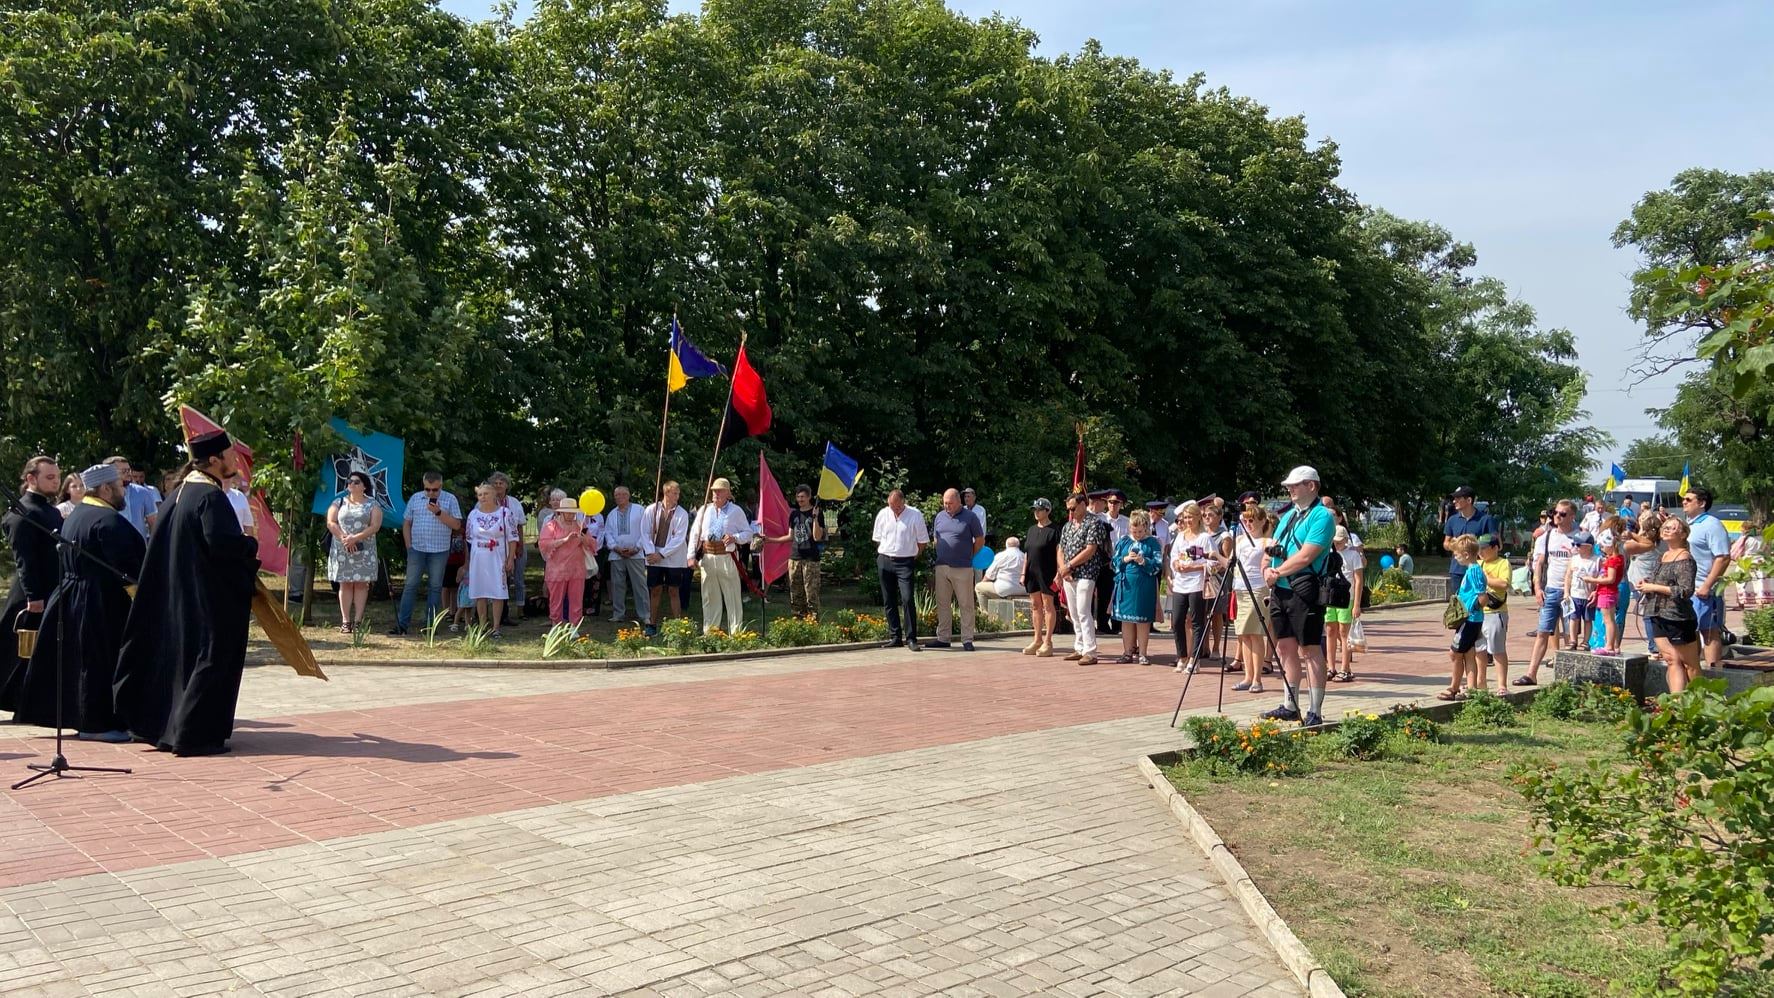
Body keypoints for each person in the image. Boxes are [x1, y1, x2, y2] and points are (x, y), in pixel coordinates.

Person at [112, 431, 259, 756]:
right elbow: (223, 544)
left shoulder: (178, 494)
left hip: (176, 596)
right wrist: (250, 544)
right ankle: (194, 735)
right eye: (231, 455)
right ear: (215, 460)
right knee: (209, 659)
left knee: (179, 664)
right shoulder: (208, 497)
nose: (235, 461)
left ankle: (167, 730)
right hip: (205, 599)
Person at [9, 463, 144, 740]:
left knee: (82, 661)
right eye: (119, 487)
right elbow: (129, 567)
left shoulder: (77, 515)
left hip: (72, 596)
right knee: (98, 663)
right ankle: (97, 724)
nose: (123, 493)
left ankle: (89, 719)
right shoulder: (108, 521)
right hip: (100, 600)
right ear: (105, 488)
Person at [1261, 466, 1336, 727]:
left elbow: (1307, 555)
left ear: (1312, 486)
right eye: (1289, 485)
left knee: (1311, 649)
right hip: (1280, 590)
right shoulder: (1290, 515)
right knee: (1284, 647)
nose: (1290, 489)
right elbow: (1272, 547)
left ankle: (1314, 709)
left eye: (1296, 485)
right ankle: (1290, 704)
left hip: (1306, 590)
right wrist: (1266, 566)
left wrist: (1277, 570)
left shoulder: (1322, 517)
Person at [0, 457, 65, 715]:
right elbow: (24, 559)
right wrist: (33, 597)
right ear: (30, 479)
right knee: (17, 655)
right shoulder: (21, 513)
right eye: (50, 477)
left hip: (52, 589)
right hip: (31, 595)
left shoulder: (51, 511)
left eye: (57, 477)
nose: (56, 482)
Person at [392, 471, 463, 635]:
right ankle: (402, 625)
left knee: (435, 587)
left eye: (435, 490)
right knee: (410, 586)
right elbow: (406, 523)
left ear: (441, 486)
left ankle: (430, 625)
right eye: (427, 489)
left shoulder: (450, 499)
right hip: (417, 548)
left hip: (439, 550)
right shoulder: (416, 498)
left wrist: (438, 512)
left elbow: (457, 525)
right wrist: (409, 545)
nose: (431, 493)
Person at [1637, 516, 1701, 692]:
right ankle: (1677, 703)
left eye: (1671, 528)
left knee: (1690, 664)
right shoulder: (1664, 555)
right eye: (1664, 527)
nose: (1665, 530)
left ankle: (1701, 700)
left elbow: (1685, 591)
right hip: (1656, 613)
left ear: (1682, 534)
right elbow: (1658, 579)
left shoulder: (1684, 557)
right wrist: (1646, 583)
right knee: (1671, 659)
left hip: (1677, 617)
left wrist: (1654, 586)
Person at [1519, 499, 1578, 686]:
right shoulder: (1547, 536)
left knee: (1571, 635)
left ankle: (1569, 678)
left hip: (1572, 592)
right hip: (1551, 590)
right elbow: (1539, 563)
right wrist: (1537, 587)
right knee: (1543, 631)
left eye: (1563, 514)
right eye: (1556, 513)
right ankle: (1531, 674)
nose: (1557, 517)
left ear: (1572, 516)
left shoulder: (1579, 537)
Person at [688, 477, 754, 635]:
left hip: (727, 556)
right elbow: (695, 533)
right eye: (714, 491)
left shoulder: (736, 511)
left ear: (727, 494)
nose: (716, 493)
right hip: (708, 556)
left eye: (719, 491)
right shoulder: (704, 510)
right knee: (710, 597)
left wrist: (735, 537)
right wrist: (691, 555)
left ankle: (736, 633)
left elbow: (748, 533)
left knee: (732, 595)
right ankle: (710, 633)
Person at [1680, 486, 1733, 669]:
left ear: (1701, 503)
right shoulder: (1690, 524)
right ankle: (1693, 670)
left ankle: (1713, 671)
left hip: (1703, 588)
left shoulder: (1712, 524)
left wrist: (1707, 585)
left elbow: (1723, 557)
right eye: (1684, 499)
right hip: (1687, 587)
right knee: (1690, 630)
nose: (1684, 502)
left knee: (1709, 631)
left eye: (1689, 499)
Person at [1056, 492, 1110, 666]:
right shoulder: (1068, 526)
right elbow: (1060, 549)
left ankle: (1090, 651)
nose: (1070, 512)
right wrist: (1063, 569)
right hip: (1068, 574)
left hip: (1087, 573)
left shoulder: (1094, 523)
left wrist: (1069, 566)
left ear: (1082, 504)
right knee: (1073, 613)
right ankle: (1079, 647)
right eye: (1068, 509)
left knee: (1083, 610)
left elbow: (1090, 549)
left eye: (1073, 508)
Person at [325, 471, 382, 633]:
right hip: (343, 549)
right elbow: (331, 522)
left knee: (362, 584)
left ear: (364, 486)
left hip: (364, 550)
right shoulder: (339, 502)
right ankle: (345, 621)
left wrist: (355, 538)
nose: (351, 484)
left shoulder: (373, 504)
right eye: (349, 481)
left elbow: (375, 526)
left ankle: (358, 620)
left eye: (356, 482)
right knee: (345, 584)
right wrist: (345, 538)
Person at [872, 489, 928, 650]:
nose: (894, 509)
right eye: (891, 506)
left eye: (897, 507)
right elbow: (878, 538)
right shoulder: (883, 514)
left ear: (904, 502)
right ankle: (895, 636)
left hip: (905, 562)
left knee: (907, 598)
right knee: (888, 599)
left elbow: (923, 541)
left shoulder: (915, 514)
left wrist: (914, 555)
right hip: (885, 559)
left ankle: (911, 638)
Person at [928, 488, 985, 650]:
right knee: (942, 603)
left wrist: (969, 555)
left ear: (959, 502)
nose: (947, 506)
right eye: (945, 503)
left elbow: (980, 540)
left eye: (950, 503)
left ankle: (967, 639)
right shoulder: (939, 516)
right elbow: (936, 538)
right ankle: (943, 638)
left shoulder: (970, 517)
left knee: (965, 603)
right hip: (942, 566)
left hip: (962, 567)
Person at [463, 482, 518, 636]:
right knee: (480, 591)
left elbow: (513, 537)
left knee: (497, 592)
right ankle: (482, 625)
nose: (483, 497)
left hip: (497, 556)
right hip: (478, 556)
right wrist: (467, 561)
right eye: (480, 495)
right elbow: (468, 538)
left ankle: (496, 627)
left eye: (486, 494)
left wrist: (510, 558)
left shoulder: (504, 513)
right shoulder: (473, 514)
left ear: (494, 495)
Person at [1111, 511, 1163, 665]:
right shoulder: (1124, 541)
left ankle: (1142, 653)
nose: (1137, 534)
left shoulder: (1152, 543)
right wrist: (1125, 559)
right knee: (1126, 621)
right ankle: (1127, 652)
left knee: (1143, 620)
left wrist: (1143, 561)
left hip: (1144, 586)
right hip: (1126, 585)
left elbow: (1158, 565)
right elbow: (1114, 562)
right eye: (1134, 531)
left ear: (1146, 527)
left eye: (1140, 531)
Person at [1167, 500, 1214, 671]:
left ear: (1198, 517)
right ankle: (1182, 656)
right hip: (1180, 584)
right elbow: (1173, 557)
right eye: (1185, 517)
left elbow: (1212, 561)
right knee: (1178, 621)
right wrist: (1177, 565)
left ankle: (1195, 658)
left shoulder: (1204, 538)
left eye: (1191, 517)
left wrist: (1194, 566)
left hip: (1196, 584)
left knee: (1196, 622)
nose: (1188, 520)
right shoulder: (1180, 536)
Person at [1230, 503, 1272, 694]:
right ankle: (1247, 676)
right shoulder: (1239, 540)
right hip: (1239, 588)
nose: (1248, 524)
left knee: (1255, 633)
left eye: (1252, 520)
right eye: (1245, 520)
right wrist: (1212, 557)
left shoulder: (1268, 542)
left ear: (1262, 521)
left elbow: (1271, 564)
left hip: (1257, 588)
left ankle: (1257, 679)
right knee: (1244, 634)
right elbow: (1231, 563)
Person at [641, 480, 692, 636]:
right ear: (666, 493)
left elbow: (679, 538)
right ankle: (651, 624)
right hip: (653, 558)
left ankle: (677, 626)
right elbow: (645, 532)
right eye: (674, 493)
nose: (677, 496)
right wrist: (651, 552)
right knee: (655, 590)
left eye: (678, 493)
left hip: (673, 559)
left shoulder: (682, 513)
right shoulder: (651, 510)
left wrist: (661, 554)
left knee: (673, 590)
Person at [1441, 535, 1487, 700]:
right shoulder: (1472, 570)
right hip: (1470, 619)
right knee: (1468, 653)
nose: (1455, 556)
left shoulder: (1474, 571)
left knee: (1455, 653)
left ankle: (1454, 687)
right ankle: (1471, 688)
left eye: (1457, 554)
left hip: (1470, 619)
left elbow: (1483, 596)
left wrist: (1472, 609)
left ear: (1466, 554)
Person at [538, 496, 594, 627]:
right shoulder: (551, 525)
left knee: (576, 599)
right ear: (561, 512)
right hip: (557, 569)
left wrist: (584, 539)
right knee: (556, 599)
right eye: (568, 512)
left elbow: (592, 544)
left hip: (576, 568)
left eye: (573, 512)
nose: (571, 515)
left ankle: (574, 626)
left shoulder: (580, 525)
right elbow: (544, 544)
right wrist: (564, 540)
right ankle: (556, 625)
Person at [601, 486, 650, 629]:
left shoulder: (639, 510)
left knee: (639, 585)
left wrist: (637, 548)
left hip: (636, 554)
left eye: (623, 494)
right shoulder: (611, 514)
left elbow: (645, 530)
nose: (619, 497)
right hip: (617, 554)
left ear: (629, 495)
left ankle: (645, 614)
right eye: (617, 495)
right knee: (617, 585)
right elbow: (607, 533)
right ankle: (618, 614)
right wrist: (615, 547)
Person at [1020, 499, 1061, 657]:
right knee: (1035, 605)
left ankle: (1048, 641)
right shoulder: (1031, 530)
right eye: (1035, 509)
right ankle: (1037, 639)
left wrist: (1059, 573)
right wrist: (1024, 573)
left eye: (1040, 509)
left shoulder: (1055, 530)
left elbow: (1059, 553)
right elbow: (1027, 554)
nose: (1036, 512)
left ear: (1047, 511)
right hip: (1032, 572)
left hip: (1048, 571)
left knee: (1048, 605)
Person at [1442, 486, 1498, 595]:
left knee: (1477, 602)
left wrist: (1475, 544)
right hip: (1457, 570)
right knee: (1459, 605)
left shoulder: (1486, 519)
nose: (1454, 501)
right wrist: (1455, 545)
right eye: (1454, 499)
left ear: (1469, 500)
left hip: (1478, 569)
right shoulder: (1452, 520)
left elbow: (1495, 540)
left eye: (1458, 498)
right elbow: (1446, 543)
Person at [488, 472, 527, 625]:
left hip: (511, 544)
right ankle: (488, 615)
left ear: (506, 485)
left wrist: (520, 544)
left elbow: (519, 525)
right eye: (495, 483)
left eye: (501, 483)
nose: (498, 486)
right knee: (495, 580)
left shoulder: (514, 502)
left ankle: (505, 614)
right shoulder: (486, 500)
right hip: (493, 547)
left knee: (511, 579)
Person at [1475, 534, 1512, 690]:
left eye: (1484, 548)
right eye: (1479, 548)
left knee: (1497, 650)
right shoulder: (1477, 564)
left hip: (1495, 613)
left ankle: (1501, 685)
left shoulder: (1502, 563)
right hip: (1478, 613)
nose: (1481, 551)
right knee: (1479, 650)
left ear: (1495, 547)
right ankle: (1480, 683)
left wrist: (1485, 578)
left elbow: (1504, 584)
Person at [785, 485, 826, 618]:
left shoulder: (817, 513)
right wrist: (769, 539)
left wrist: (815, 518)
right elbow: (790, 536)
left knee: (811, 593)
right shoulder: (794, 514)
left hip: (810, 559)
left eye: (803, 496)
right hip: (794, 558)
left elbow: (817, 536)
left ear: (809, 497)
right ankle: (798, 622)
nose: (800, 499)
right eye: (798, 497)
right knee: (795, 593)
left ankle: (813, 622)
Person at [1585, 531, 1625, 655]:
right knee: (1611, 619)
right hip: (1609, 592)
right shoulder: (1618, 558)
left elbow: (1610, 579)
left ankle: (1609, 647)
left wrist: (1592, 579)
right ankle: (1615, 645)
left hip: (1607, 592)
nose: (1601, 549)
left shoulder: (1613, 560)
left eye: (1602, 546)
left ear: (1610, 545)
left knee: (1608, 620)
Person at [104, 455, 160, 538]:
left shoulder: (142, 492)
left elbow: (154, 523)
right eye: (124, 471)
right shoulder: (104, 494)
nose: (128, 474)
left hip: (139, 547)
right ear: (110, 473)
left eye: (129, 470)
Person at [1325, 527, 1355, 683]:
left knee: (1344, 632)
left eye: (1339, 541)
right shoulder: (1328, 554)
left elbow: (1358, 579)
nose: (1336, 544)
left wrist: (1356, 604)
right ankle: (1331, 666)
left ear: (1345, 539)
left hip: (1345, 597)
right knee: (1330, 630)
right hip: (1330, 596)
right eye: (1334, 541)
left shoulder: (1352, 554)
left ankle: (1345, 667)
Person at [1563, 532, 1597, 651]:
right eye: (1574, 544)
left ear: (1588, 546)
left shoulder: (1596, 560)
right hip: (1575, 594)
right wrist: (1566, 592)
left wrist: (1596, 591)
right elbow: (1568, 576)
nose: (1575, 547)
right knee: (1573, 618)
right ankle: (1573, 640)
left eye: (1578, 544)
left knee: (1588, 619)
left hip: (1588, 596)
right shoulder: (1574, 559)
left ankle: (1586, 641)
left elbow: (1600, 578)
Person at [1730, 518, 1771, 610]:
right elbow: (1766, 550)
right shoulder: (1762, 538)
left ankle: (1741, 604)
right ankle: (1760, 603)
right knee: (1759, 582)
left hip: (1746, 561)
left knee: (1742, 582)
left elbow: (1735, 550)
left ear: (1745, 528)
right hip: (1760, 561)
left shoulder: (1744, 538)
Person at [976, 536, 1027, 602]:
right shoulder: (1024, 556)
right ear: (1018, 545)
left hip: (1004, 589)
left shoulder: (1000, 556)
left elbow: (989, 575)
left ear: (1006, 545)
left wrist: (983, 582)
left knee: (979, 587)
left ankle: (986, 611)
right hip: (1023, 589)